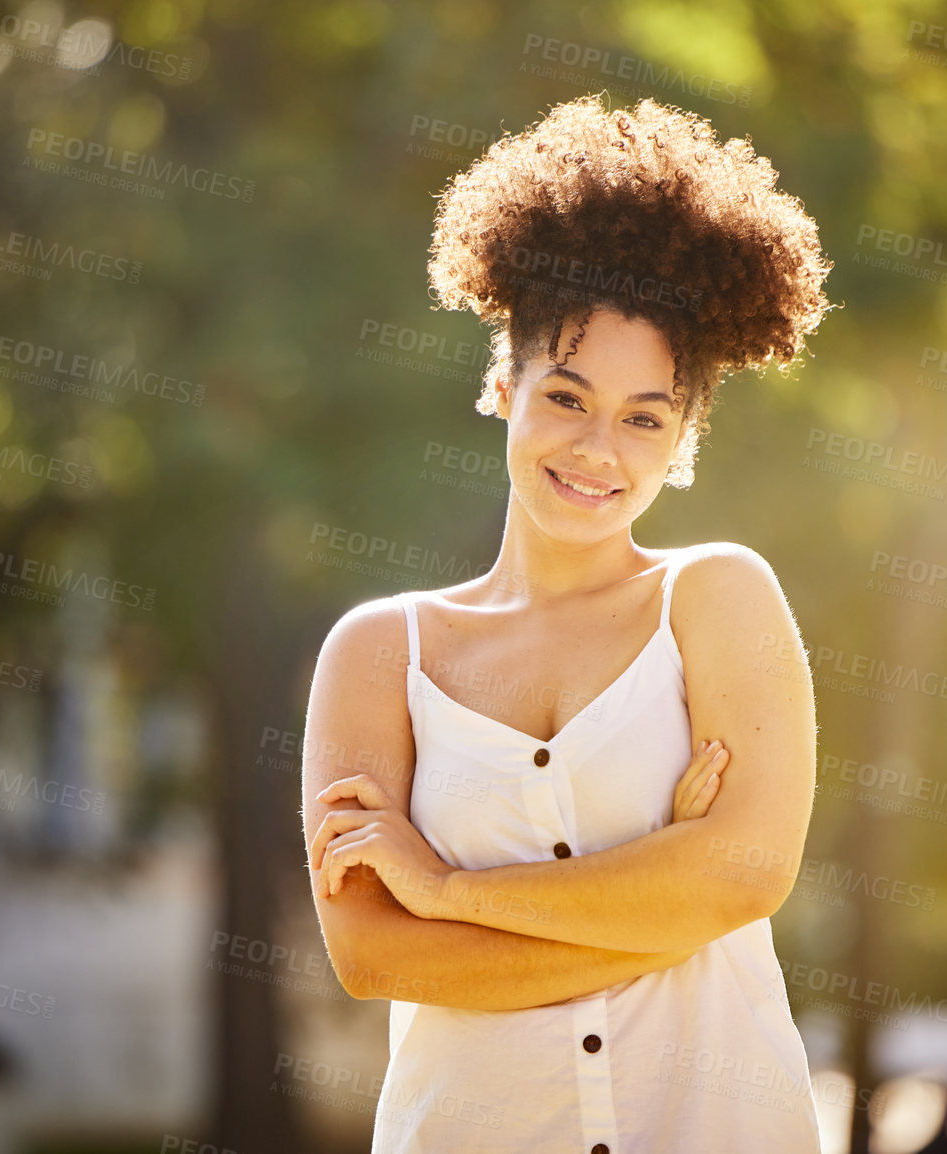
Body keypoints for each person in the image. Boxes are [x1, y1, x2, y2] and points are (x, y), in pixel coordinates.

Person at [301, 93, 834, 1152]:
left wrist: (446, 888)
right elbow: (373, 954)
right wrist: (663, 902)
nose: (600, 449)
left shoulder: (719, 598)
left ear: (684, 439)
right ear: (505, 385)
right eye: (567, 396)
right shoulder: (379, 652)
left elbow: (745, 873)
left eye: (646, 417)